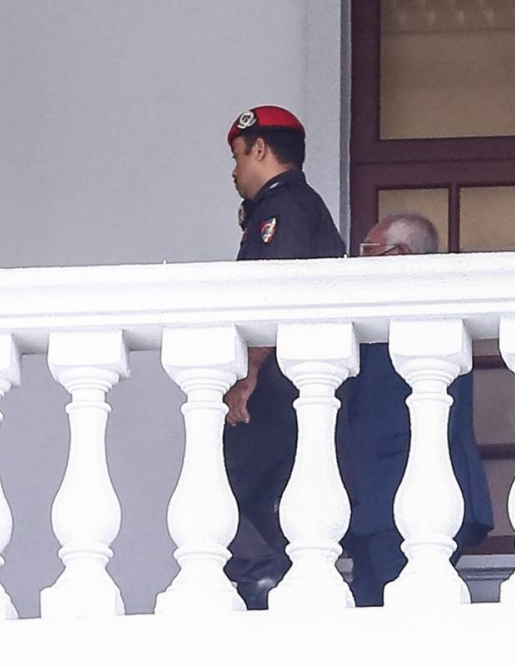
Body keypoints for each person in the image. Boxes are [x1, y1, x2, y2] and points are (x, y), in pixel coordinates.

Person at [221, 105, 346, 609]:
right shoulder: (288, 205)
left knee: (242, 493)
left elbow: (277, 294)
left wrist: (248, 372)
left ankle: (265, 587)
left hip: (280, 385)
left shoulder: (285, 206)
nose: (234, 171)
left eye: (237, 156)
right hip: (291, 386)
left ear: (259, 147)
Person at [336, 213, 494, 607]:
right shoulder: (379, 313)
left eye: (368, 252)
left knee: (411, 620)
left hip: (409, 498)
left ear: (400, 253)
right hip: (373, 502)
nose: (360, 263)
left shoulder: (431, 309)